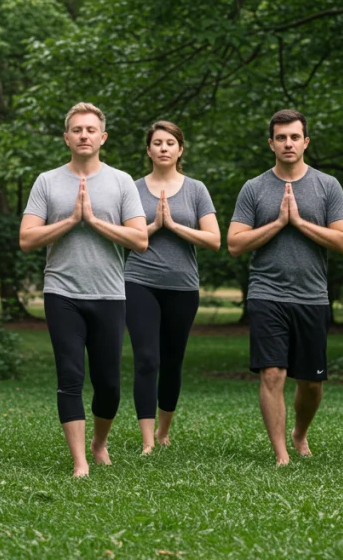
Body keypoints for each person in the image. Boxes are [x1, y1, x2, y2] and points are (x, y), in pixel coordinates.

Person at [19, 102, 147, 477]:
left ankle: (99, 443)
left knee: (108, 383)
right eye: (77, 130)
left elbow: (139, 239)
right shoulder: (47, 181)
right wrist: (71, 220)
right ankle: (79, 462)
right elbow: (27, 239)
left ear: (102, 137)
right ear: (66, 137)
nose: (84, 135)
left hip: (109, 293)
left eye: (91, 130)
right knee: (70, 375)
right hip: (62, 292)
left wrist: (92, 221)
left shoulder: (121, 181)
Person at [228, 109, 343, 466]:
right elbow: (235, 244)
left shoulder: (327, 186)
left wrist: (297, 221)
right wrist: (279, 222)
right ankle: (281, 453)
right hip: (267, 293)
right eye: (281, 137)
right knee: (272, 372)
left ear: (306, 142)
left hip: (312, 296)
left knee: (311, 384)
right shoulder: (254, 188)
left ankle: (299, 432)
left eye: (294, 137)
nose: (288, 143)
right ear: (271, 143)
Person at [124, 121, 220, 454]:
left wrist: (174, 226)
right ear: (148, 149)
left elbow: (214, 239)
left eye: (170, 143)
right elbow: (125, 238)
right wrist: (154, 226)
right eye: (157, 143)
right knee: (147, 359)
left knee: (172, 360)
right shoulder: (131, 189)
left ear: (180, 150)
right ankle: (148, 440)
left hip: (182, 286)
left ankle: (164, 430)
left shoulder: (196, 190)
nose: (164, 148)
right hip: (138, 282)